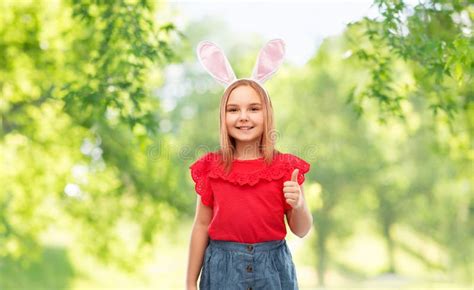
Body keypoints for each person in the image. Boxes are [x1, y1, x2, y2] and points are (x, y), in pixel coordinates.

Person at [186, 39, 313, 290]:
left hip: (273, 269)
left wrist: (297, 204)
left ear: (267, 114)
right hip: (222, 270)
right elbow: (201, 225)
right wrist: (190, 282)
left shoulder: (286, 168)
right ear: (223, 117)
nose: (243, 117)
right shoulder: (211, 168)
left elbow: (301, 229)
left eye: (253, 108)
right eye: (233, 110)